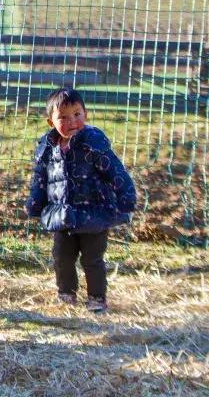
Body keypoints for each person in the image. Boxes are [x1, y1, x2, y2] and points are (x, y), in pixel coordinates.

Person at [25, 87, 136, 313]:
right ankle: (66, 294)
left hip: (94, 213)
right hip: (61, 214)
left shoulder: (93, 144)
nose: (72, 121)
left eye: (77, 114)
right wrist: (35, 203)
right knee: (61, 257)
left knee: (92, 259)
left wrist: (127, 195)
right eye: (63, 117)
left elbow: (115, 171)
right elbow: (40, 179)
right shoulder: (47, 149)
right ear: (51, 122)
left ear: (86, 114)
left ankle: (97, 298)